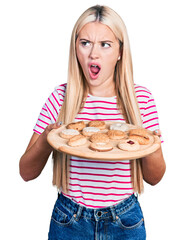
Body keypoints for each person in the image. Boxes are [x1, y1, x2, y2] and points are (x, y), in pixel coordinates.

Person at [19, 5, 166, 240]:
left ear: (120, 51)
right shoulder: (60, 98)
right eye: (85, 43)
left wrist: (153, 146)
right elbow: (25, 172)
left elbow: (154, 178)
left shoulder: (141, 100)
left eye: (104, 45)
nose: (92, 54)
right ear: (75, 48)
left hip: (125, 220)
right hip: (69, 220)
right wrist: (48, 139)